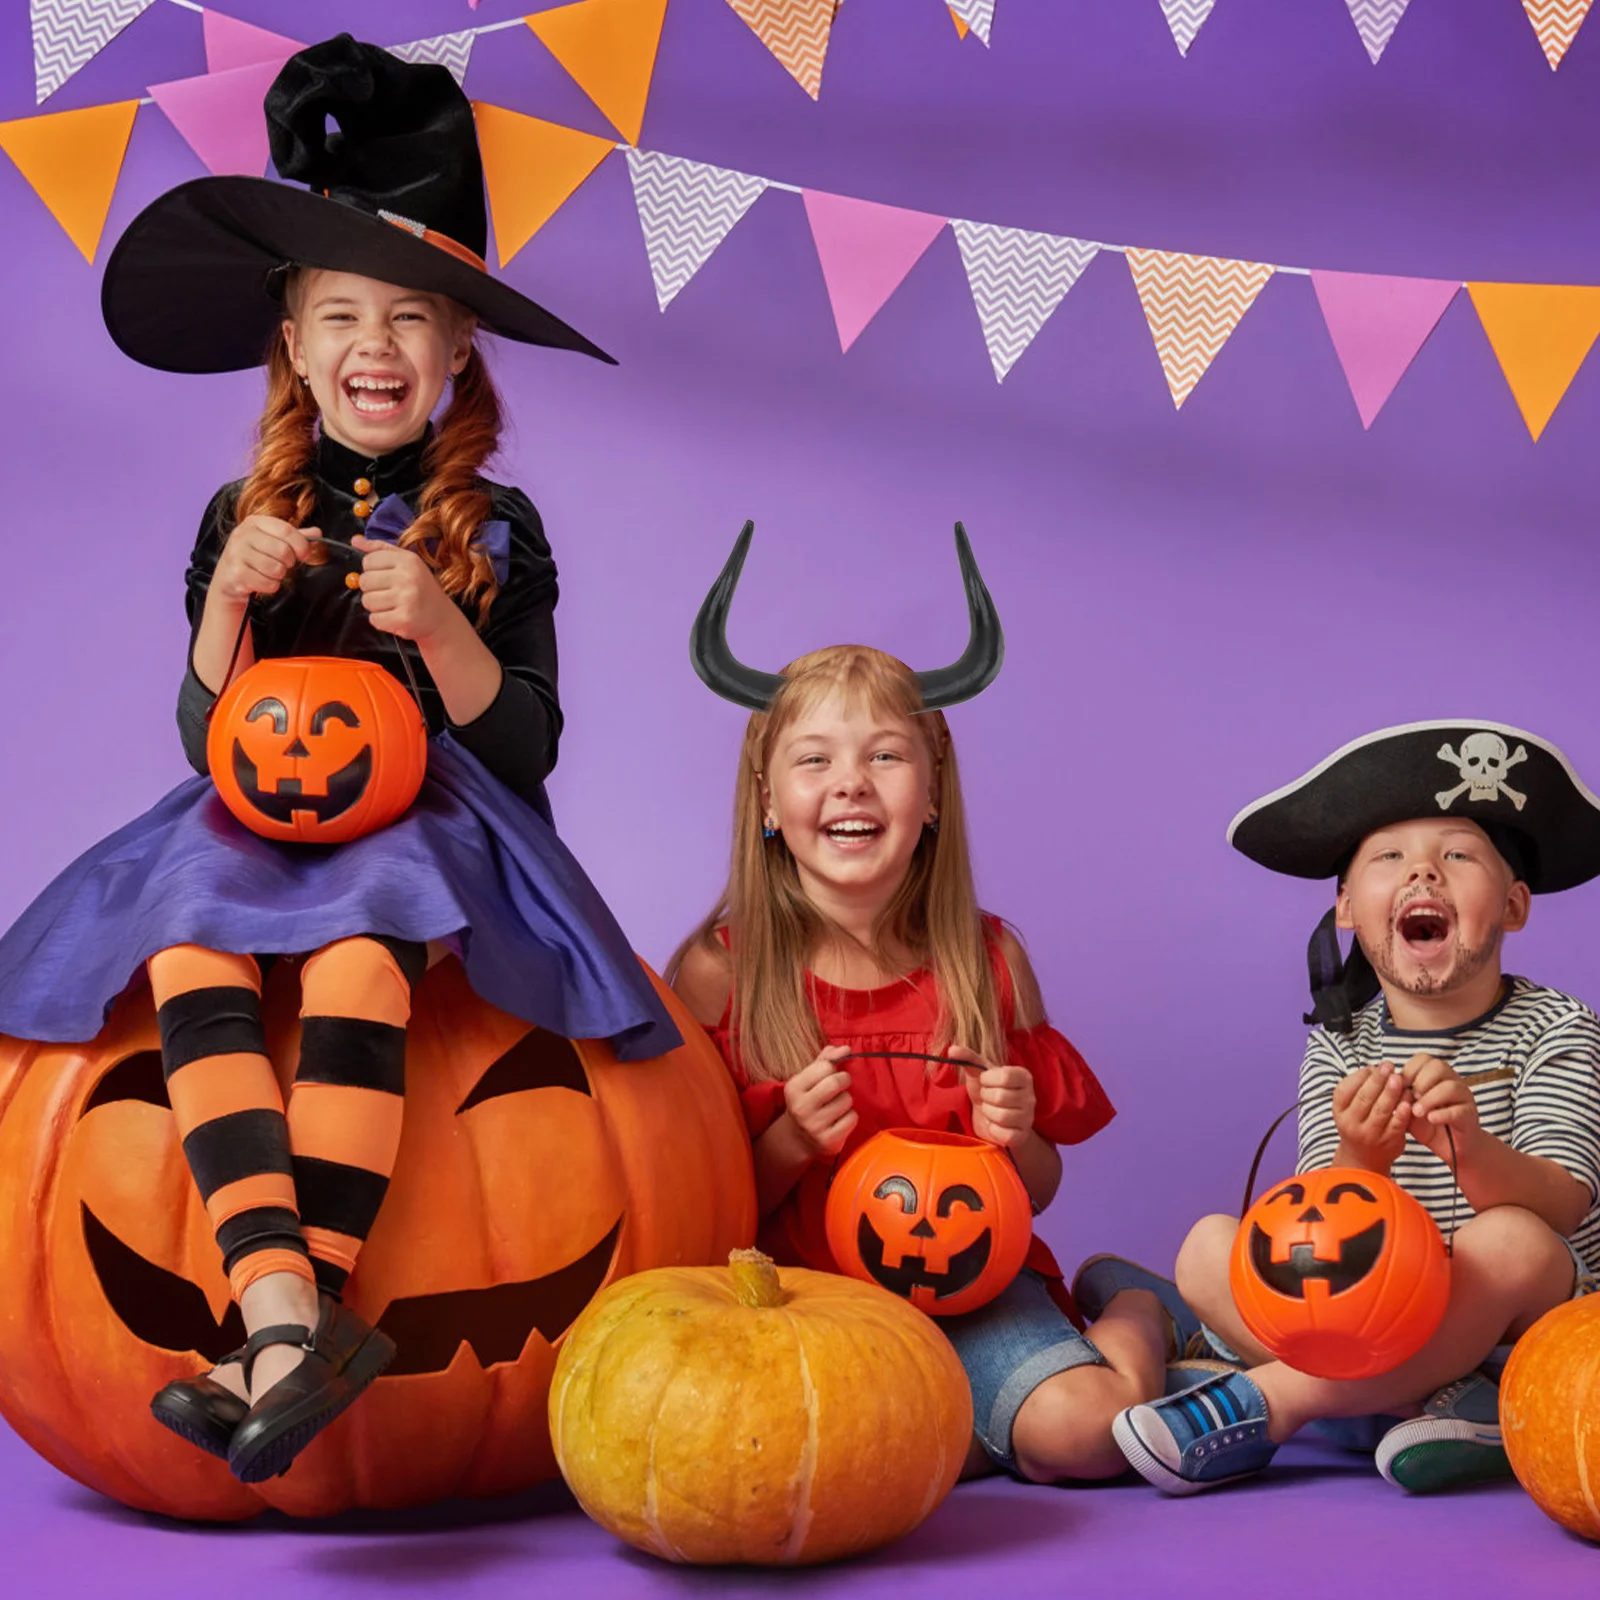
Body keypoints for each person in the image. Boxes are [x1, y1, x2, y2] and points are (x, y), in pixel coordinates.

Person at [0, 36, 678, 1484]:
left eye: (413, 318)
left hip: (431, 826)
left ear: (454, 352)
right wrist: (227, 610)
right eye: (344, 318)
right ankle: (289, 1309)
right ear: (296, 347)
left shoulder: (496, 533)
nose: (378, 347)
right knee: (184, 953)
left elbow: (531, 742)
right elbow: (204, 739)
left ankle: (289, 1322)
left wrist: (441, 627)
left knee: (364, 958)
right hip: (248, 819)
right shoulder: (235, 516)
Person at [670, 525, 1200, 1483]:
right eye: (814, 760)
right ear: (767, 802)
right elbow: (691, 1200)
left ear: (933, 796)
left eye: (885, 757)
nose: (851, 784)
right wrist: (789, 1139)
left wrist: (1017, 1134)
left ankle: (1135, 1311)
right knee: (785, 1467)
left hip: (976, 1295)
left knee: (1081, 1439)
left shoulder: (987, 961)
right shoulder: (719, 973)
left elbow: (1034, 1189)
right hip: (803, 1305)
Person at [1113, 721, 1600, 1495]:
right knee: (1208, 1249)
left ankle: (1282, 1401)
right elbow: (1321, 1221)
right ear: (1346, 909)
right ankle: (1438, 1405)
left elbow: (1567, 1203)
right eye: (1388, 857)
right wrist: (1362, 1158)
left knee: (1511, 1240)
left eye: (1458, 853)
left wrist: (1471, 1149)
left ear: (1513, 905)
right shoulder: (1340, 1045)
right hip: (1377, 1322)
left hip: (1522, 1329)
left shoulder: (1560, 1029)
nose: (1423, 874)